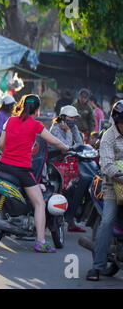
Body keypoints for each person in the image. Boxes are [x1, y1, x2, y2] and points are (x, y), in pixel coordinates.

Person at [0, 94, 69, 253]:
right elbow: (54, 141)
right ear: (37, 110)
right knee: (40, 203)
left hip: (3, 166)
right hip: (22, 170)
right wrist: (66, 148)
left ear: (21, 105)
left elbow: (1, 144)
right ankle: (41, 241)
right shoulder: (35, 125)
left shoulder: (9, 121)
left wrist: (8, 154)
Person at [86, 100, 123, 281]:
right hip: (111, 187)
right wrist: (119, 176)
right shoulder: (108, 136)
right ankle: (97, 266)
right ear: (116, 121)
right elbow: (107, 164)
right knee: (108, 221)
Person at [50, 105, 89, 233]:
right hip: (55, 166)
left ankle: (71, 220)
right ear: (63, 117)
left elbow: (79, 144)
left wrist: (71, 141)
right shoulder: (55, 129)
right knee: (61, 191)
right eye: (71, 117)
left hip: (68, 164)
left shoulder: (74, 127)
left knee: (73, 189)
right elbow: (65, 147)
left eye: (74, 118)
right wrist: (67, 132)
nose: (73, 120)